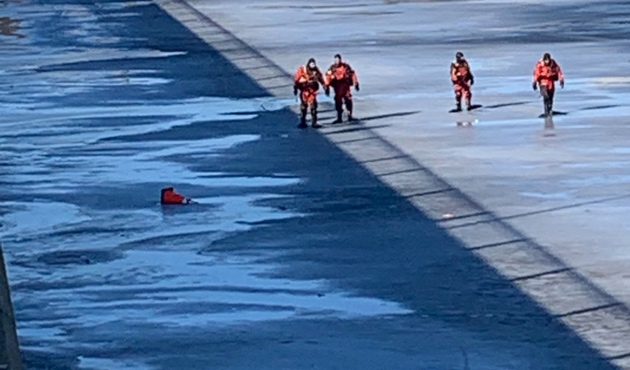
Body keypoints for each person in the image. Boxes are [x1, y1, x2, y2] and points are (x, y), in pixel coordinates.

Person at [325, 54, 359, 123]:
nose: (337, 61)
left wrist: (356, 83)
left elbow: (352, 74)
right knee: (338, 102)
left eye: (338, 59)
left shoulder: (346, 66)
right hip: (337, 87)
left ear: (340, 59)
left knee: (348, 100)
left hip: (345, 86)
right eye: (336, 60)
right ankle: (339, 117)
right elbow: (327, 76)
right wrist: (327, 86)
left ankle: (350, 116)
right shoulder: (332, 68)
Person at [294, 58, 326, 129]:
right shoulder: (303, 69)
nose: (313, 65)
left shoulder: (316, 70)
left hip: (312, 92)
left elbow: (320, 77)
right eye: (312, 64)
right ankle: (303, 122)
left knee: (313, 106)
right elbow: (297, 79)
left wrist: (324, 85)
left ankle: (314, 122)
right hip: (305, 91)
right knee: (303, 107)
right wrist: (295, 88)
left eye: (314, 64)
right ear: (309, 64)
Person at [533, 53, 564, 117]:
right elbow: (536, 72)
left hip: (551, 81)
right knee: (546, 96)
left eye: (548, 60)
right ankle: (546, 110)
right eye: (546, 60)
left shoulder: (553, 63)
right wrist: (535, 82)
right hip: (543, 82)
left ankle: (550, 110)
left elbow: (558, 70)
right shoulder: (540, 64)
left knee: (551, 97)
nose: (547, 61)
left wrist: (561, 80)